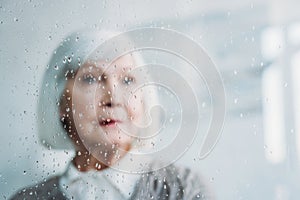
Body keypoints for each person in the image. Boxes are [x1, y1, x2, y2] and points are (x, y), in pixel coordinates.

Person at [10, 29, 212, 200]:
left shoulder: (182, 188)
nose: (113, 97)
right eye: (90, 79)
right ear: (61, 102)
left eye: (127, 80)